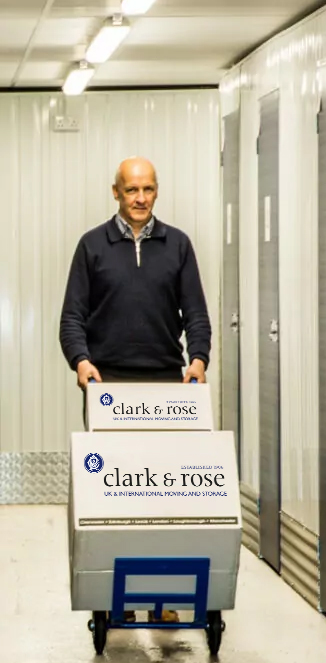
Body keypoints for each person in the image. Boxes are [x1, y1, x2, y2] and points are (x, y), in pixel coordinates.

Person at [59, 156, 213, 624]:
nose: (140, 198)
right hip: (109, 391)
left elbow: (197, 316)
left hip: (167, 387)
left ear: (157, 191)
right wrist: (82, 362)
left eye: (148, 189)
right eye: (131, 190)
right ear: (116, 193)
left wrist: (199, 361)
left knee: (162, 501)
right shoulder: (92, 246)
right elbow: (72, 319)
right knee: (114, 502)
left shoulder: (178, 245)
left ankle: (162, 599)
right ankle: (113, 592)